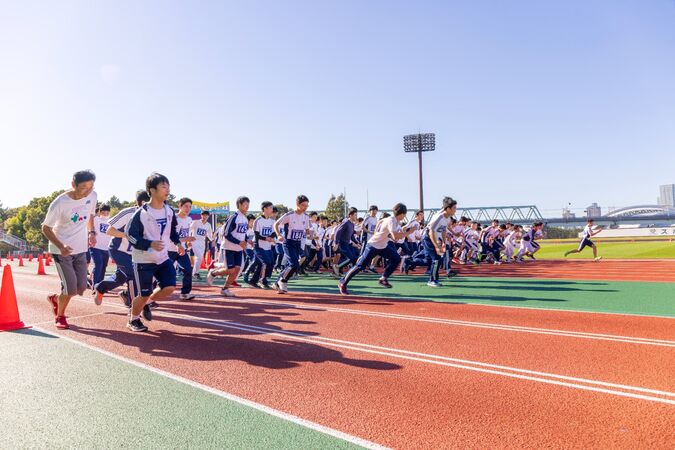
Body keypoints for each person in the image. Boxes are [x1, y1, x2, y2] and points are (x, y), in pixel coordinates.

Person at [126, 173, 185, 332]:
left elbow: (172, 231)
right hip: (143, 259)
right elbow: (130, 236)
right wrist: (149, 243)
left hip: (163, 257)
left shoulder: (169, 211)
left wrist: (178, 243)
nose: (167, 190)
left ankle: (147, 301)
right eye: (163, 186)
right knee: (142, 294)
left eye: (168, 186)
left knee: (170, 287)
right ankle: (133, 319)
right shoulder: (141, 213)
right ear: (152, 190)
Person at [42, 170, 97, 329]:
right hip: (62, 251)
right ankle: (60, 316)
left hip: (81, 248)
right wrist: (61, 246)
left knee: (81, 288)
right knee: (70, 288)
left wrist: (92, 233)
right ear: (73, 185)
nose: (88, 191)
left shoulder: (92, 196)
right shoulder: (59, 203)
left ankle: (56, 299)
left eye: (91, 187)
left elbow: (90, 215)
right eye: (83, 188)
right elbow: (45, 228)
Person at [338, 203, 413, 294]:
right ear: (402, 214)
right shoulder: (391, 221)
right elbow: (395, 237)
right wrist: (410, 232)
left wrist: (379, 231)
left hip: (383, 246)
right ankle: (343, 282)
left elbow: (380, 222)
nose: (405, 216)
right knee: (360, 266)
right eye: (405, 214)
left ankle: (383, 278)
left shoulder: (393, 221)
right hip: (373, 246)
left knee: (396, 258)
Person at [93, 190, 149, 306]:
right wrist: (127, 235)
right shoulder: (128, 213)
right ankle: (133, 306)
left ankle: (101, 287)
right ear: (144, 202)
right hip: (118, 250)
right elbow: (109, 230)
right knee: (133, 275)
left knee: (120, 278)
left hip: (133, 253)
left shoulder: (151, 217)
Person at [403, 197, 458, 287]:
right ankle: (432, 280)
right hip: (428, 237)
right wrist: (436, 246)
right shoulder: (439, 218)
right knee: (437, 258)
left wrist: (444, 242)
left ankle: (408, 262)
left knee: (428, 261)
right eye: (454, 208)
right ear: (448, 209)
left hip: (435, 238)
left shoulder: (448, 218)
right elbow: (431, 231)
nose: (455, 210)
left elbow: (443, 230)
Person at [206, 196, 250, 297]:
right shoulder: (233, 217)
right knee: (230, 270)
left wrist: (247, 241)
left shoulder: (245, 219)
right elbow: (226, 234)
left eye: (248, 204)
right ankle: (213, 273)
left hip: (238, 249)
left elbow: (244, 234)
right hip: (228, 247)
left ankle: (225, 289)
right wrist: (239, 242)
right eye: (245, 204)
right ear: (239, 205)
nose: (247, 206)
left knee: (237, 269)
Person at [273, 195, 310, 294]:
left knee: (298, 262)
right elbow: (275, 224)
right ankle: (283, 281)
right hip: (288, 243)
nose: (305, 208)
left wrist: (309, 232)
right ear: (297, 204)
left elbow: (306, 229)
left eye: (307, 206)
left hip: (298, 243)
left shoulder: (306, 216)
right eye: (303, 205)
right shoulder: (289, 215)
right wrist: (279, 235)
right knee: (294, 264)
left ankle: (277, 283)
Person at [245, 201, 277, 288]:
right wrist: (266, 238)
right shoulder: (258, 221)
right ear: (265, 209)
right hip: (258, 246)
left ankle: (253, 281)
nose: (272, 209)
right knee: (266, 263)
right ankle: (262, 281)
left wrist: (271, 237)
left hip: (268, 246)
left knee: (267, 263)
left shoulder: (272, 221)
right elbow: (257, 235)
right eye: (270, 208)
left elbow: (274, 233)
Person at [170, 197, 196, 300]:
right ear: (179, 206)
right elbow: (172, 237)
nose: (188, 208)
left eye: (190, 207)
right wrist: (186, 238)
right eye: (185, 206)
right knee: (160, 272)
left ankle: (185, 293)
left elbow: (185, 233)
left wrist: (188, 241)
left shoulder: (189, 219)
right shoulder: (174, 219)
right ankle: (146, 293)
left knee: (188, 269)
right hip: (169, 250)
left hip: (181, 250)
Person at [332, 207, 361, 277]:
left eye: (356, 215)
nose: (356, 217)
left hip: (346, 244)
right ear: (350, 215)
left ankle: (335, 272)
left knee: (345, 258)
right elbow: (337, 232)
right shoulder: (346, 223)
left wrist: (357, 243)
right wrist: (336, 243)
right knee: (350, 258)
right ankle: (336, 267)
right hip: (342, 243)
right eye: (355, 215)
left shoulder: (352, 224)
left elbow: (351, 236)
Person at [89, 203, 111, 289]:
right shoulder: (96, 219)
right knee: (98, 265)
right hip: (95, 247)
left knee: (103, 267)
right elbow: (89, 219)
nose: (105, 214)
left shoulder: (111, 221)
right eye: (103, 212)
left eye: (107, 212)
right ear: (99, 212)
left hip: (106, 248)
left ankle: (100, 286)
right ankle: (95, 285)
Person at [190, 210, 213, 280]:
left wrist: (212, 240)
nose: (205, 216)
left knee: (199, 258)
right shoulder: (196, 222)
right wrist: (188, 239)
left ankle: (194, 273)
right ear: (201, 215)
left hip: (202, 243)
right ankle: (195, 273)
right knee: (199, 256)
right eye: (203, 215)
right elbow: (189, 229)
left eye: (206, 215)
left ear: (208, 216)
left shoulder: (208, 225)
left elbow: (210, 235)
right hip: (194, 241)